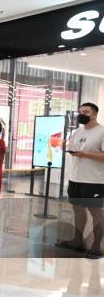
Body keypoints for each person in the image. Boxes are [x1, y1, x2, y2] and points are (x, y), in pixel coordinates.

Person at [62, 103, 104, 259]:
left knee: (97, 213)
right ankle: (77, 241)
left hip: (94, 180)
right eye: (80, 112)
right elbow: (73, 150)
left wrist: (84, 154)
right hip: (75, 178)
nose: (82, 114)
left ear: (94, 114)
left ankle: (97, 246)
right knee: (77, 211)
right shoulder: (77, 131)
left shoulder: (101, 132)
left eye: (85, 112)